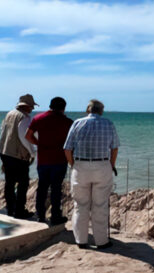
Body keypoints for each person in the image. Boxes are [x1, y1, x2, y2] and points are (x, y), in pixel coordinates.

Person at [63, 98, 119, 249]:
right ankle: (101, 241)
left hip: (81, 165)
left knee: (80, 205)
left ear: (88, 110)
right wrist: (111, 165)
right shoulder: (108, 124)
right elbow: (114, 148)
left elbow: (67, 149)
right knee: (100, 205)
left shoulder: (77, 123)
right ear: (101, 111)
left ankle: (81, 240)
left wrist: (73, 164)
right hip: (102, 165)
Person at [26, 96, 73, 225]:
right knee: (56, 189)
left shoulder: (38, 118)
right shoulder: (67, 122)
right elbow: (72, 143)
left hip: (43, 160)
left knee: (42, 188)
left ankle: (40, 215)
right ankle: (55, 216)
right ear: (63, 108)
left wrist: (39, 144)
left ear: (50, 106)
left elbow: (28, 136)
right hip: (59, 160)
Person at [0, 94, 38, 218]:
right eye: (31, 106)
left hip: (4, 151)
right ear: (27, 106)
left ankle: (10, 209)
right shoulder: (24, 117)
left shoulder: (10, 114)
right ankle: (20, 210)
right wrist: (32, 152)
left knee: (9, 182)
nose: (32, 109)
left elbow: (2, 130)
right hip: (17, 154)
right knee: (23, 183)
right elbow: (25, 137)